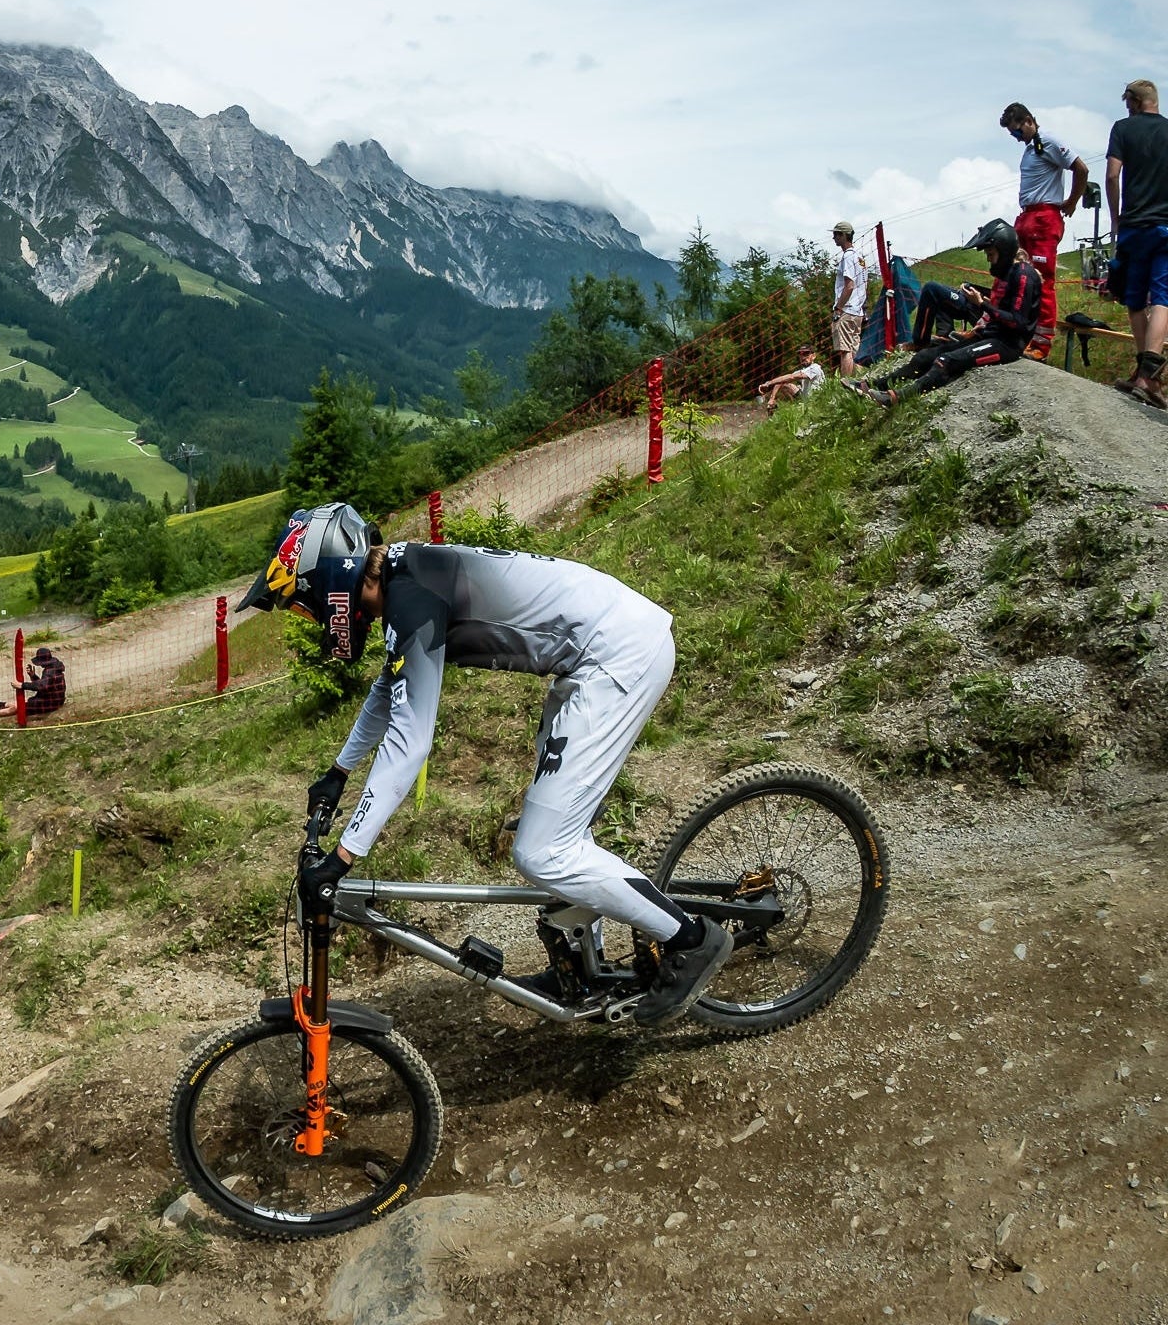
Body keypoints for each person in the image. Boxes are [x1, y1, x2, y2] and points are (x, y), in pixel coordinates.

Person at [237, 502, 733, 1024]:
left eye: (304, 606)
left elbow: (410, 743)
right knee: (547, 832)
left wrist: (343, 858)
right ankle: (581, 964)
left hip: (615, 657)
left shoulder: (412, 596)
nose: (312, 617)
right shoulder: (407, 577)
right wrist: (338, 772)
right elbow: (390, 687)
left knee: (544, 852)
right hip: (591, 656)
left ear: (330, 583)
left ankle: (691, 940)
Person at [853, 219, 1040, 406]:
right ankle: (871, 385)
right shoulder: (1008, 275)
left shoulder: (1024, 275)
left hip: (1007, 345)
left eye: (991, 254)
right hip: (990, 335)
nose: (988, 259)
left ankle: (895, 398)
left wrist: (981, 303)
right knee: (925, 357)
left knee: (946, 360)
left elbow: (1017, 322)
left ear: (1004, 251)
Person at [1000, 103, 1087, 361]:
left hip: (1044, 217)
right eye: (1012, 135)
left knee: (1041, 279)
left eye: (1018, 131)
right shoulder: (1030, 148)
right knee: (1011, 272)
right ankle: (1011, 332)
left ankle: (1041, 343)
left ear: (1029, 120)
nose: (1017, 138)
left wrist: (1072, 201)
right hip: (1027, 216)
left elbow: (1081, 168)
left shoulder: (1048, 141)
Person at [1107, 79, 1168, 408]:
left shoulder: (1123, 128)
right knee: (1162, 298)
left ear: (1134, 100)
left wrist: (1115, 218)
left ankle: (1143, 375)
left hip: (1133, 227)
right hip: (1165, 228)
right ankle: (1149, 378)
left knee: (1134, 300)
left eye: (1127, 102)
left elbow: (1112, 175)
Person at [828, 221, 871, 379]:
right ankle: (861, 381)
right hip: (858, 311)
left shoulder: (847, 257)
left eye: (836, 234)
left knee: (845, 351)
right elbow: (863, 285)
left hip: (846, 310)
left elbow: (849, 285)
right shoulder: (860, 258)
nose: (834, 238)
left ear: (844, 235)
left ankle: (845, 385)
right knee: (854, 351)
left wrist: (838, 308)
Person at [755, 345, 825, 407]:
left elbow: (792, 377)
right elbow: (784, 380)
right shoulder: (803, 370)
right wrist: (772, 398)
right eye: (800, 354)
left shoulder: (815, 368)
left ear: (814, 356)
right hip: (804, 399)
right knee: (783, 382)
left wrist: (769, 383)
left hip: (817, 402)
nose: (803, 357)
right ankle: (769, 402)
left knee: (787, 380)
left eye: (806, 354)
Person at [18, 645, 66, 719]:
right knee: (23, 704)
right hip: (57, 700)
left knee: (21, 706)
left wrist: (22, 685)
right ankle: (1, 706)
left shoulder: (49, 671)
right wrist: (33, 675)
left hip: (50, 703)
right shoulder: (55, 668)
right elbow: (45, 685)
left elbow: (42, 687)